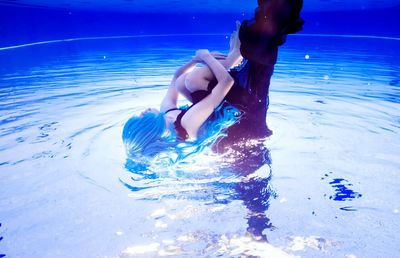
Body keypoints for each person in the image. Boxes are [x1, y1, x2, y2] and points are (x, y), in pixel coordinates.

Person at [122, 27, 243, 159]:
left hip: (210, 102)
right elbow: (226, 82)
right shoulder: (188, 124)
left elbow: (176, 76)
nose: (143, 111)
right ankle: (235, 55)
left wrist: (195, 60)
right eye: (142, 117)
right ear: (149, 129)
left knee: (180, 82)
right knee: (192, 80)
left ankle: (231, 58)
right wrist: (206, 56)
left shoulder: (166, 113)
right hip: (227, 107)